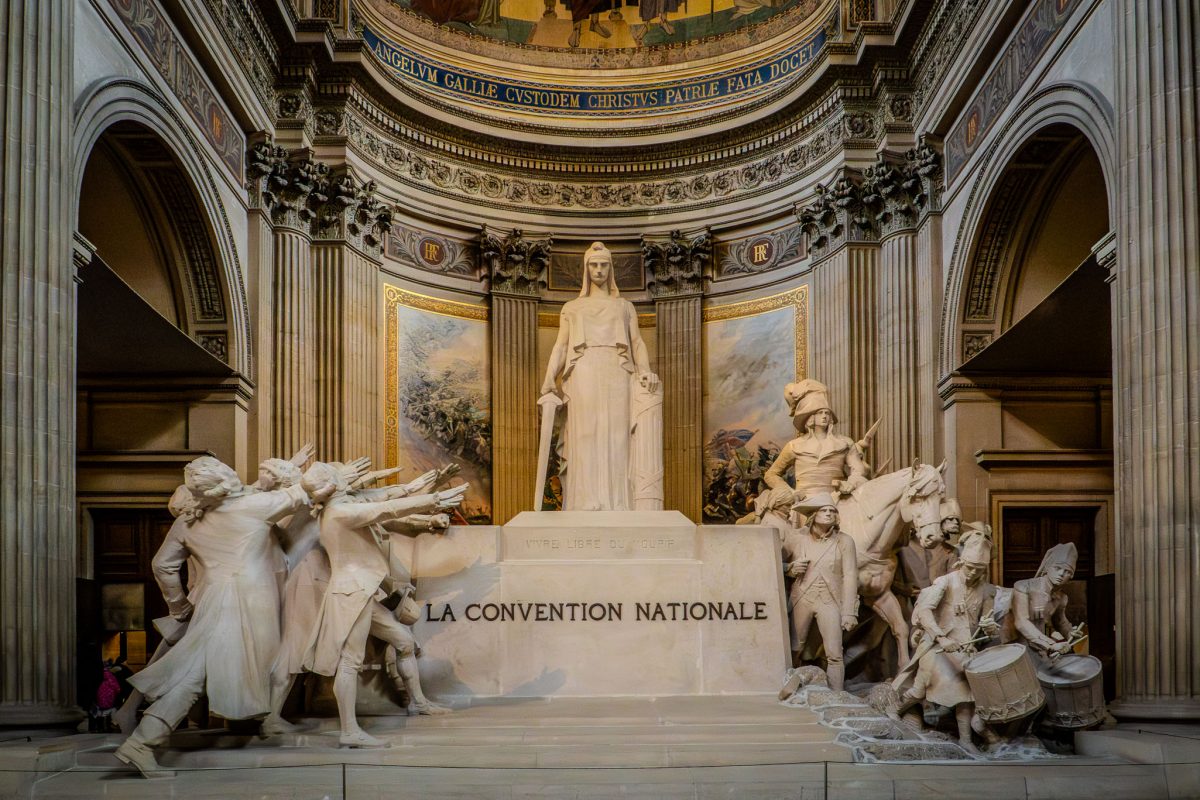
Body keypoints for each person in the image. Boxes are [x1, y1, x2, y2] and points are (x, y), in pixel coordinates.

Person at [115, 457, 309, 778]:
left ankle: (142, 739)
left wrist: (178, 605)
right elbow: (304, 493)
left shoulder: (188, 521)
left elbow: (162, 565)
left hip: (211, 600)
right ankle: (141, 742)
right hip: (244, 605)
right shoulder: (254, 507)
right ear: (227, 476)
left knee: (198, 673)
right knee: (196, 676)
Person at [299, 462, 467, 747]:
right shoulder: (339, 512)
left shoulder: (341, 506)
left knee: (403, 640)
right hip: (353, 591)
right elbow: (385, 509)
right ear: (335, 483)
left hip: (362, 589)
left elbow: (385, 497)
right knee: (350, 662)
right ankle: (349, 731)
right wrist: (434, 500)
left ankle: (418, 702)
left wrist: (426, 486)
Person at [539, 242, 660, 511]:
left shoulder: (625, 307)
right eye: (593, 265)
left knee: (617, 434)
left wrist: (645, 371)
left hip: (618, 371)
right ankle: (583, 501)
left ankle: (619, 501)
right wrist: (549, 379)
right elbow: (561, 345)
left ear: (611, 269)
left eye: (604, 265)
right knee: (585, 434)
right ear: (586, 269)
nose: (598, 270)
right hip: (582, 370)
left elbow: (637, 342)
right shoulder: (572, 308)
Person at [897, 527, 1000, 754]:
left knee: (965, 695)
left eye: (979, 569)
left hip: (964, 650)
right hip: (936, 647)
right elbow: (924, 611)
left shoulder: (987, 590)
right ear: (961, 562)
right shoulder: (945, 582)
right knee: (919, 689)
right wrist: (941, 638)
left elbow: (987, 620)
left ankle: (965, 739)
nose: (973, 573)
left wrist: (989, 627)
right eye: (970, 567)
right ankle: (894, 711)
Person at [780, 492, 859, 691]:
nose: (829, 514)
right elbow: (773, 562)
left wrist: (849, 611)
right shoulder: (796, 537)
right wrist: (789, 568)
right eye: (823, 510)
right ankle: (789, 688)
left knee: (834, 652)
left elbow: (850, 576)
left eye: (832, 511)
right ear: (813, 515)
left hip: (830, 600)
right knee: (794, 647)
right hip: (802, 597)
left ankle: (836, 695)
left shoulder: (845, 541)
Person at [762, 380, 867, 506]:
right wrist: (789, 491)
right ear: (810, 416)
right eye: (819, 413)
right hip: (804, 502)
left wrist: (851, 483)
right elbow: (771, 474)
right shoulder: (794, 446)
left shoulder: (845, 442)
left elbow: (859, 470)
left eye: (827, 413)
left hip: (836, 500)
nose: (824, 416)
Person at [1011, 542, 1082, 663]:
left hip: (1041, 649)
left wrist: (1071, 633)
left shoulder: (1061, 598)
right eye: (1057, 568)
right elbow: (1021, 622)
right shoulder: (1023, 587)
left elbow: (1060, 622)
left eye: (1067, 571)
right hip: (1017, 649)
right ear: (1047, 567)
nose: (1061, 574)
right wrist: (1049, 644)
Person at [894, 499, 962, 601]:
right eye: (951, 519)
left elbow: (953, 584)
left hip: (936, 603)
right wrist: (902, 588)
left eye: (957, 520)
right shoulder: (907, 545)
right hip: (906, 602)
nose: (956, 522)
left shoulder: (951, 552)